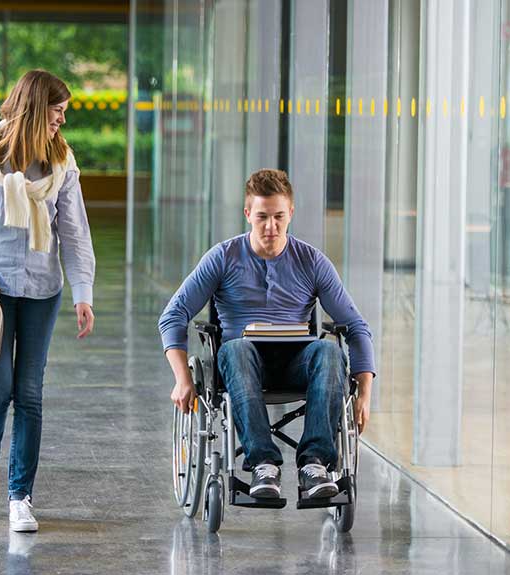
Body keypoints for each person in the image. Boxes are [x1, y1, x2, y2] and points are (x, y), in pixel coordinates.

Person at [158, 169, 374, 499]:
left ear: (291, 214)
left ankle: (314, 464)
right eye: (262, 217)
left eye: (278, 217)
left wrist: (364, 395)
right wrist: (182, 378)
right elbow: (173, 315)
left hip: (295, 363)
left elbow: (357, 327)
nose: (270, 227)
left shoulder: (312, 261)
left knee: (329, 351)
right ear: (247, 214)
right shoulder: (223, 257)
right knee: (236, 349)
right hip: (241, 362)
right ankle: (263, 464)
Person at [0, 70, 95, 531]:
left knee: (29, 394)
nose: (61, 122)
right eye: (57, 112)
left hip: (41, 289)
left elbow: (73, 232)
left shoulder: (62, 163)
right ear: (36, 108)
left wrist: (82, 293)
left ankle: (20, 497)